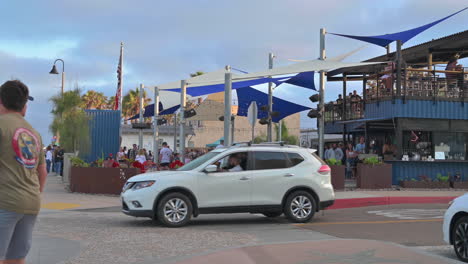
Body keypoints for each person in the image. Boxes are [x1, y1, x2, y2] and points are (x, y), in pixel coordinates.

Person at [0, 80, 47, 264]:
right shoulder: (34, 133)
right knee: (16, 258)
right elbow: (42, 172)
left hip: (5, 201)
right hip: (30, 204)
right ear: (24, 106)